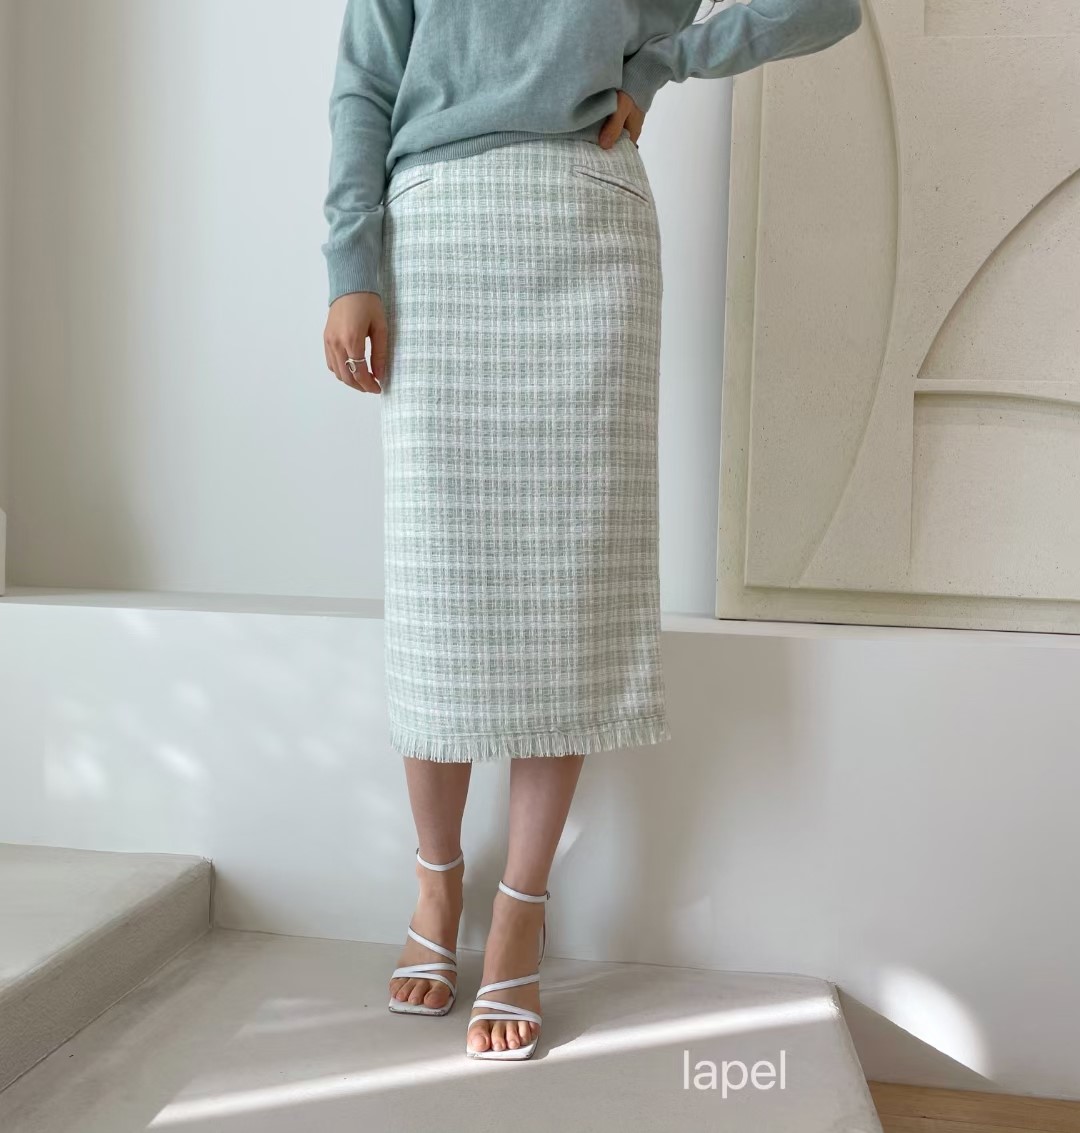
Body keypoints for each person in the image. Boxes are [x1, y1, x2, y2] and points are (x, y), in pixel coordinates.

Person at [321, 0, 862, 1062]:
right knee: (440, 595)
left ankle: (521, 907)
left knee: (570, 585)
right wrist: (351, 264)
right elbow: (364, 82)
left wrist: (667, 59)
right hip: (436, 234)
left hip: (585, 227)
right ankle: (437, 883)